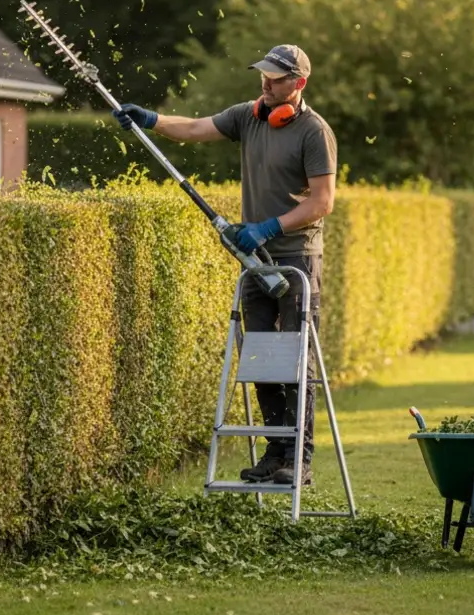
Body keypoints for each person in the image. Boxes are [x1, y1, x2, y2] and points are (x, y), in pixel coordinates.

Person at [112, 44, 338, 486]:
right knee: (260, 356)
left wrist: (269, 227)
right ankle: (275, 451)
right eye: (263, 75)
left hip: (296, 258)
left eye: (275, 78)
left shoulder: (314, 132)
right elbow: (195, 128)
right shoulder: (247, 116)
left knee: (295, 358)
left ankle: (300, 458)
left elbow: (322, 202)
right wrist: (152, 120)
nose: (265, 83)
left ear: (298, 83)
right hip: (255, 261)